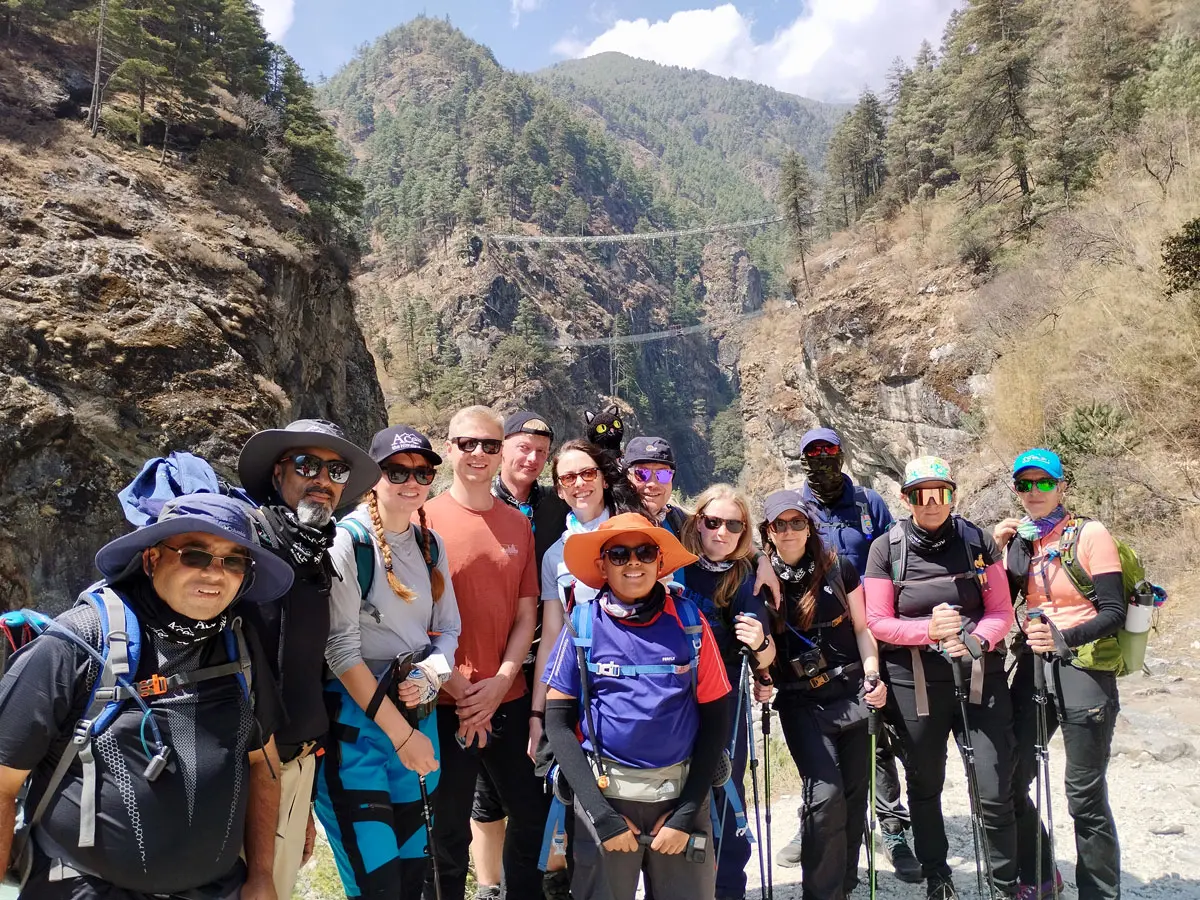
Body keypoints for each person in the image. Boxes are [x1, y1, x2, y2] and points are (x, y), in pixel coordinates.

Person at [0, 493, 292, 900]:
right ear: (153, 559)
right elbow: (2, 782)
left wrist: (261, 875)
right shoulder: (77, 644)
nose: (215, 573)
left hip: (215, 890)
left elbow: (263, 762)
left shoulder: (238, 647)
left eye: (234, 560)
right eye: (195, 555)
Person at [542, 513, 732, 900]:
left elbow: (716, 721)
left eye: (645, 552)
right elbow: (558, 725)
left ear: (659, 563)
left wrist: (684, 815)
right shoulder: (581, 626)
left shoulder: (691, 624)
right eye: (619, 553)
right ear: (602, 565)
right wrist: (601, 816)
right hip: (605, 799)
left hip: (680, 796)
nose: (633, 563)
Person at [236, 418, 381, 900]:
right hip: (243, 771)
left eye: (336, 470)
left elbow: (305, 672)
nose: (323, 479)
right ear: (279, 473)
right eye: (308, 465)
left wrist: (304, 801)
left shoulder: (314, 552)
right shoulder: (246, 547)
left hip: (296, 764)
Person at [864, 456, 1018, 900]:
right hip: (914, 684)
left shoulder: (976, 541)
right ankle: (938, 877)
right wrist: (926, 631)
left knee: (993, 787)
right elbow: (878, 621)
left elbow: (1000, 611)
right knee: (925, 785)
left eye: (941, 494)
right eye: (920, 495)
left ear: (953, 495)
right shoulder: (886, 549)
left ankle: (1005, 885)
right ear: (906, 498)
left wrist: (976, 642)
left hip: (979, 677)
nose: (931, 504)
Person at [319, 425, 457, 900]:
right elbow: (339, 649)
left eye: (422, 470)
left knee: (415, 875)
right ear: (372, 477)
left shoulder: (429, 545)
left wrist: (430, 675)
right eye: (396, 470)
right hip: (360, 730)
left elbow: (448, 631)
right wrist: (404, 737)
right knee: (377, 882)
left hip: (417, 712)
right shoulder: (347, 543)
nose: (411, 481)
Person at [781, 427, 920, 883]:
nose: (821, 459)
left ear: (842, 454)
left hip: (869, 628)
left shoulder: (867, 503)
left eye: (829, 450)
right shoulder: (794, 509)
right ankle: (818, 829)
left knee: (875, 741)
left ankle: (892, 828)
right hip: (816, 643)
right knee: (825, 761)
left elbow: (890, 557)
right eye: (812, 453)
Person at [421, 406, 548, 900]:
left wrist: (501, 681)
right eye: (467, 443)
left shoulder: (517, 525)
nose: (479, 453)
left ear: (501, 453)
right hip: (444, 701)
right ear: (449, 448)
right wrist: (457, 685)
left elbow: (526, 613)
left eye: (490, 445)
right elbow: (409, 617)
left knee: (532, 817)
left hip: (507, 697)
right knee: (447, 830)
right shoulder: (421, 519)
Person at [994, 449, 1123, 900]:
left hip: (1082, 668)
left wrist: (1064, 638)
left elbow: (1113, 611)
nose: (1034, 492)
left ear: (1061, 486)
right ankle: (1041, 873)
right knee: (1009, 777)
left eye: (1043, 483)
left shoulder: (1091, 534)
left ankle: (1100, 894)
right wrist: (998, 549)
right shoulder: (1022, 541)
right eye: (1025, 485)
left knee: (1084, 797)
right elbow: (996, 597)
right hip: (1032, 667)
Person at [755, 490, 887, 900]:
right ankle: (821, 892)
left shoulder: (839, 568)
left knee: (852, 797)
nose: (790, 530)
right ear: (769, 532)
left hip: (852, 692)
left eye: (798, 522)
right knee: (825, 797)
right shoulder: (760, 582)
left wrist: (873, 675)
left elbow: (863, 630)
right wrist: (762, 673)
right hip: (801, 701)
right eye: (781, 524)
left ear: (809, 527)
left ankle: (843, 885)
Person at [480, 411, 571, 899]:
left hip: (542, 659)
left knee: (535, 782)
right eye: (523, 448)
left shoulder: (555, 506)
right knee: (486, 794)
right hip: (486, 662)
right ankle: (491, 885)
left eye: (541, 451)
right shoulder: (479, 502)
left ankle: (545, 877)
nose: (532, 459)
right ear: (502, 449)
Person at [677, 485, 775, 900]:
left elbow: (764, 650)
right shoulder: (672, 566)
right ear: (696, 522)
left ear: (743, 531)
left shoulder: (745, 577)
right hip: (674, 697)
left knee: (724, 788)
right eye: (711, 522)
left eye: (732, 525)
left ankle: (728, 888)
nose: (721, 532)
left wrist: (760, 646)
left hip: (725, 700)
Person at [622, 436, 780, 601]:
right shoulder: (612, 524)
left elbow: (724, 534)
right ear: (626, 477)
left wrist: (762, 560)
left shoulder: (676, 520)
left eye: (663, 475)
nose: (653, 483)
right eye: (642, 474)